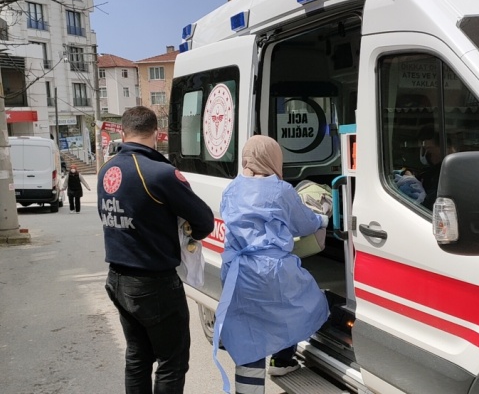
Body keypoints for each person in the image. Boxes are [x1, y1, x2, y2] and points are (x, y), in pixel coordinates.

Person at [98, 106, 214, 394]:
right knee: (171, 362)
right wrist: (187, 235)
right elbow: (204, 221)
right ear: (155, 133)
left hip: (118, 278)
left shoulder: (106, 170)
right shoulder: (159, 173)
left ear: (123, 132)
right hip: (154, 283)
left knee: (137, 357)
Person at [214, 135, 329, 394]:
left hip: (236, 272)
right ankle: (282, 358)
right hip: (269, 271)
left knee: (249, 333)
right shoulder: (281, 190)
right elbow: (304, 223)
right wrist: (322, 220)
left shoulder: (231, 188)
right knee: (303, 306)